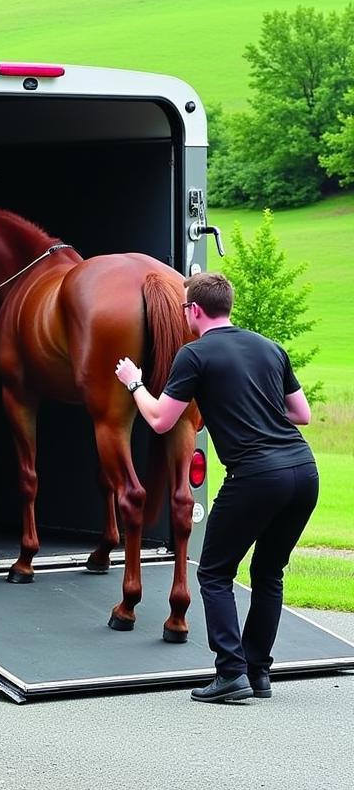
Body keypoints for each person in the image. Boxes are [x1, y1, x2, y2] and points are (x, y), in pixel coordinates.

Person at [114, 271, 318, 704]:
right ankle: (258, 672)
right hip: (304, 471)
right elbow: (302, 414)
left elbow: (159, 420)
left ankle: (231, 671)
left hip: (257, 477)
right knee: (268, 572)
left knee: (213, 572)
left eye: (184, 305)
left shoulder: (194, 355)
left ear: (193, 310)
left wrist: (134, 382)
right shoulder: (269, 347)